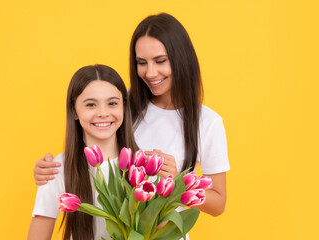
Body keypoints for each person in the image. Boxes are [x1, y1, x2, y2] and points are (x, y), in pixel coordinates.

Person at [33, 13, 230, 217]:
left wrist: (179, 181)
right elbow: (84, 150)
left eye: (160, 61)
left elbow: (218, 204)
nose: (150, 73)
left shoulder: (208, 122)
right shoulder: (119, 104)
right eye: (141, 62)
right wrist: (50, 170)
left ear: (181, 59)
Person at [27, 64, 139, 240]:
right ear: (74, 111)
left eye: (112, 103)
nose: (103, 113)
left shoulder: (143, 166)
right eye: (91, 105)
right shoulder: (57, 168)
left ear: (124, 107)